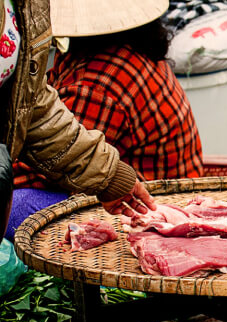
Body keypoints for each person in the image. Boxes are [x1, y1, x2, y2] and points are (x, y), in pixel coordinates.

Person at [6, 0, 199, 240]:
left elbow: (52, 159)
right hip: (126, 186)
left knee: (18, 203)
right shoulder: (132, 50)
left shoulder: (98, 83)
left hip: (141, 206)